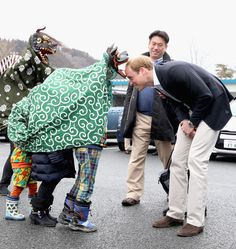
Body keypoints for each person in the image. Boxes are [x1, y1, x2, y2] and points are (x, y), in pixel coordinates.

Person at [7, 45, 128, 230]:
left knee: (52, 178)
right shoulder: (44, 97)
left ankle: (42, 211)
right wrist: (25, 137)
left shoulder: (46, 97)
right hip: (47, 147)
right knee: (49, 179)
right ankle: (38, 212)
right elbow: (18, 116)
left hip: (52, 145)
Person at [124, 55, 233, 237]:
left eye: (130, 77)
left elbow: (205, 95)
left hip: (214, 107)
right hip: (196, 111)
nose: (131, 82)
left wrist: (193, 122)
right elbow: (175, 102)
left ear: (142, 71)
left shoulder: (172, 71)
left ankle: (195, 221)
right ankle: (175, 213)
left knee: (196, 160)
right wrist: (184, 120)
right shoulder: (157, 83)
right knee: (177, 161)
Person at [121, 30, 178, 206]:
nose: (155, 47)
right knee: (136, 157)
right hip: (141, 117)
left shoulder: (170, 66)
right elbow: (130, 94)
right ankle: (133, 193)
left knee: (169, 158)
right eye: (153, 43)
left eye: (160, 45)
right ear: (148, 44)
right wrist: (126, 122)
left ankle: (175, 192)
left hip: (163, 119)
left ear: (165, 47)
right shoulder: (137, 63)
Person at [0, 28, 58, 196]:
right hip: (11, 115)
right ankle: (6, 184)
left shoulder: (36, 69)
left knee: (22, 150)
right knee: (18, 150)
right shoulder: (17, 67)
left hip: (21, 116)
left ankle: (23, 183)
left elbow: (47, 74)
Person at [5, 146, 37, 221]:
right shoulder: (21, 135)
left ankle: (34, 208)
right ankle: (10, 211)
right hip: (21, 161)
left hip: (29, 162)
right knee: (19, 186)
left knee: (33, 185)